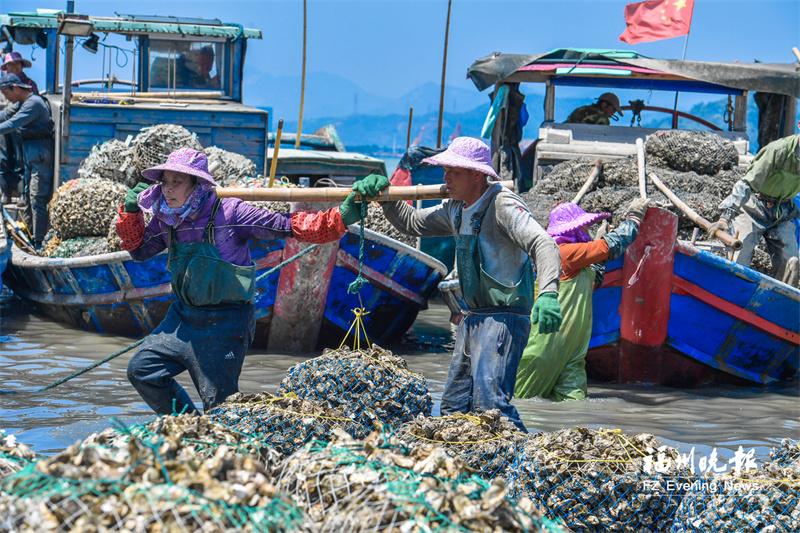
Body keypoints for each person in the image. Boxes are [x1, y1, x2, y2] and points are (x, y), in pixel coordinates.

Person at [115, 147, 366, 415]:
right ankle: (187, 427)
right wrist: (132, 213)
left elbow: (288, 226)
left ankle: (217, 442)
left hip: (225, 322)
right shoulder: (167, 219)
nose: (167, 189)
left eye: (177, 182)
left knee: (219, 405)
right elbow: (139, 251)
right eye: (165, 181)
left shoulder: (231, 212)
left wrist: (342, 216)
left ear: (197, 184)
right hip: (182, 318)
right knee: (143, 370)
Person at [352, 137, 563, 431]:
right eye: (445, 170)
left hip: (503, 317)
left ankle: (522, 457)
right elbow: (412, 222)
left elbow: (543, 243)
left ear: (476, 174)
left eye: (454, 171)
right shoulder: (454, 208)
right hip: (472, 317)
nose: (445, 178)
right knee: (454, 405)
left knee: (492, 405)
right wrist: (384, 194)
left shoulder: (502, 204)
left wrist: (549, 292)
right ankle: (463, 463)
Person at [515, 199, 649, 401]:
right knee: (521, 405)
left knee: (575, 412)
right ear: (573, 230)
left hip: (574, 353)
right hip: (544, 347)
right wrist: (633, 218)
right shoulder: (561, 253)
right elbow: (611, 246)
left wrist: (597, 254)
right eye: (583, 227)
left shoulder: (579, 264)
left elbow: (595, 278)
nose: (586, 231)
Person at [708, 134, 800, 284]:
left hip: (782, 213)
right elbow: (746, 184)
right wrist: (726, 217)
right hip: (754, 206)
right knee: (740, 256)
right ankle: (733, 294)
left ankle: (775, 302)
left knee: (792, 263)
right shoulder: (777, 150)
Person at [0, 73, 53, 247]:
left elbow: (12, 124)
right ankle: (30, 236)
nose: (5, 97)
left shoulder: (34, 103)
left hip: (39, 154)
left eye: (5, 92)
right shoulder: (22, 103)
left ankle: (39, 242)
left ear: (14, 88)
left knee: (37, 197)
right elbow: (4, 116)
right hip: (30, 154)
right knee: (28, 198)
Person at [0, 52, 39, 205]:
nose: (14, 67)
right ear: (6, 67)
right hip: (3, 129)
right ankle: (6, 192)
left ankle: (23, 193)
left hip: (21, 127)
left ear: (22, 65)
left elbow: (30, 107)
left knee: (21, 160)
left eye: (17, 64)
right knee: (3, 159)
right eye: (11, 64)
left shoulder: (29, 84)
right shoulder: (2, 84)